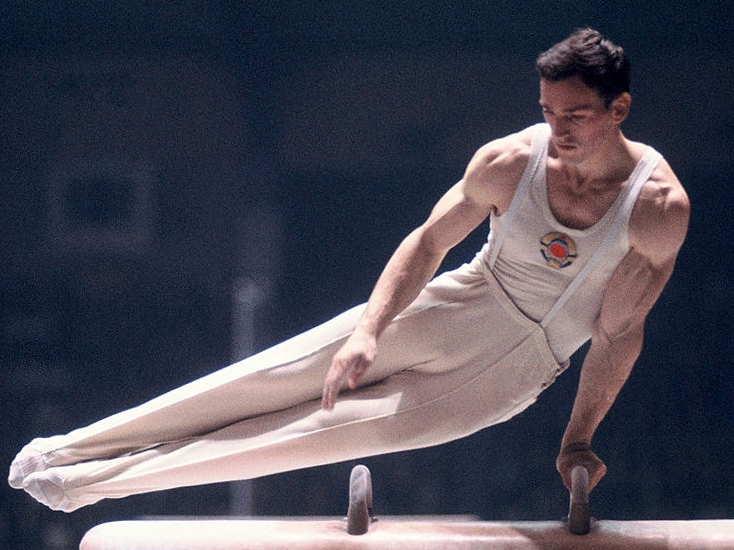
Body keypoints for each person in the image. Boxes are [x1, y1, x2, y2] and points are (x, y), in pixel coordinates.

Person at [9, 28, 689, 513]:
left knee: (301, 438)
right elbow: (428, 243)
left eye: (576, 116)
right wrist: (369, 329)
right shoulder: (511, 161)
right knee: (270, 376)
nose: (557, 130)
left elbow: (617, 334)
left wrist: (577, 441)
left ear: (619, 109)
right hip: (459, 300)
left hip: (512, 366)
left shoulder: (655, 209)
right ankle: (68, 450)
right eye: (548, 111)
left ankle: (82, 488)